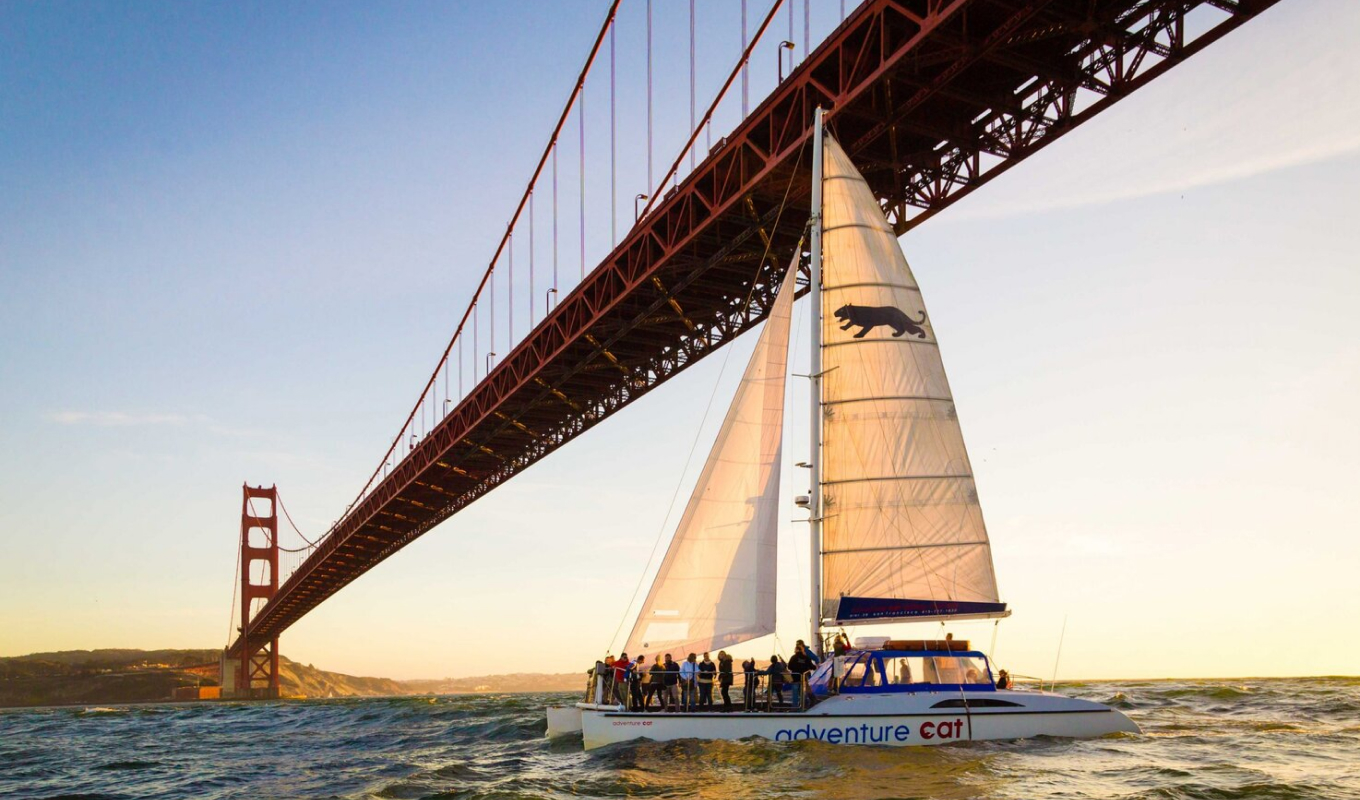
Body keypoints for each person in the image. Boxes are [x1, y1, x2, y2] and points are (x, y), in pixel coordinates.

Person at [787, 643, 815, 709]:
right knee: (802, 693)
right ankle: (804, 705)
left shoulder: (793, 657)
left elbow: (789, 666)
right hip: (803, 678)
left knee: (795, 694)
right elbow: (811, 666)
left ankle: (795, 707)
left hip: (795, 678)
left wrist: (795, 669)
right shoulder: (806, 658)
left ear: (797, 649)